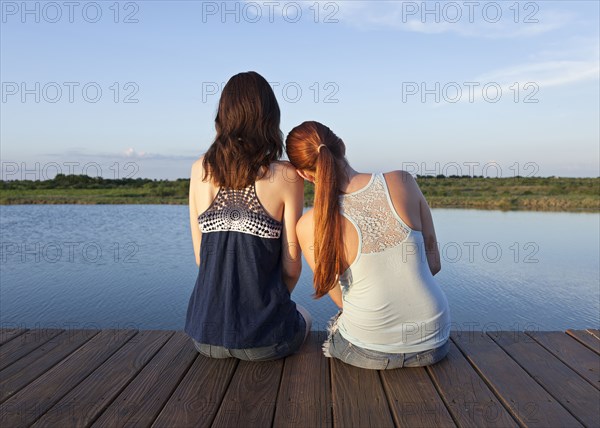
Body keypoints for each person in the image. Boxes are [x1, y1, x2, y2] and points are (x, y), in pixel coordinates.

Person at [285, 121, 450, 369]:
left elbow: (342, 301)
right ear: (341, 144)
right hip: (434, 342)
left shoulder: (308, 225)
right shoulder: (402, 181)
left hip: (368, 350)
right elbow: (434, 264)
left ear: (304, 174)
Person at [184, 72, 311, 361]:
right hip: (266, 343)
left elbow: (201, 259)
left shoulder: (198, 169)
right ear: (269, 117)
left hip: (205, 338)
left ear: (223, 115)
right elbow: (292, 268)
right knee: (306, 315)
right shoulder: (287, 175)